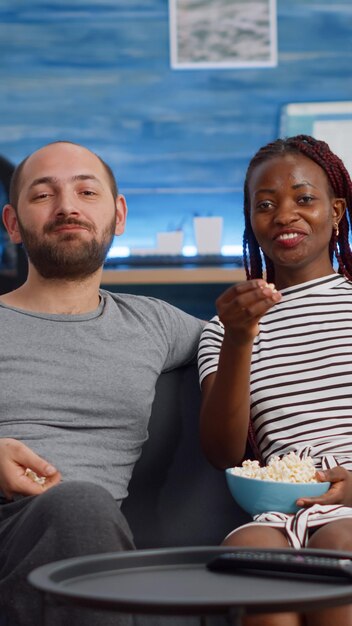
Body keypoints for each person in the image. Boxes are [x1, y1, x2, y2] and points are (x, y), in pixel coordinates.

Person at [0, 140, 205, 626]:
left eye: (86, 192)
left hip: (87, 543)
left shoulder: (155, 324)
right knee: (80, 502)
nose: (67, 206)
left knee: (80, 505)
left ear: (119, 214)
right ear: (13, 224)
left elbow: (282, 355)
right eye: (43, 195)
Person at [198, 134, 352, 626]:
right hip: (276, 511)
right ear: (251, 220)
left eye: (305, 199)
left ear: (337, 211)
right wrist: (239, 338)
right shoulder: (225, 327)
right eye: (265, 205)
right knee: (251, 557)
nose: (285, 214)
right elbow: (224, 452)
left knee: (338, 549)